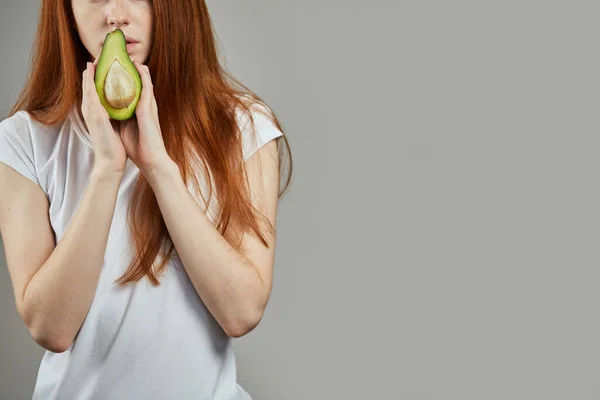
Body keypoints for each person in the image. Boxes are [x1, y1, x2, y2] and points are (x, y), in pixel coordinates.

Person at [0, 0, 292, 398]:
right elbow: (51, 328)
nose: (116, 14)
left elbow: (241, 312)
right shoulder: (23, 141)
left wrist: (157, 166)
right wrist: (107, 171)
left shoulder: (244, 128)